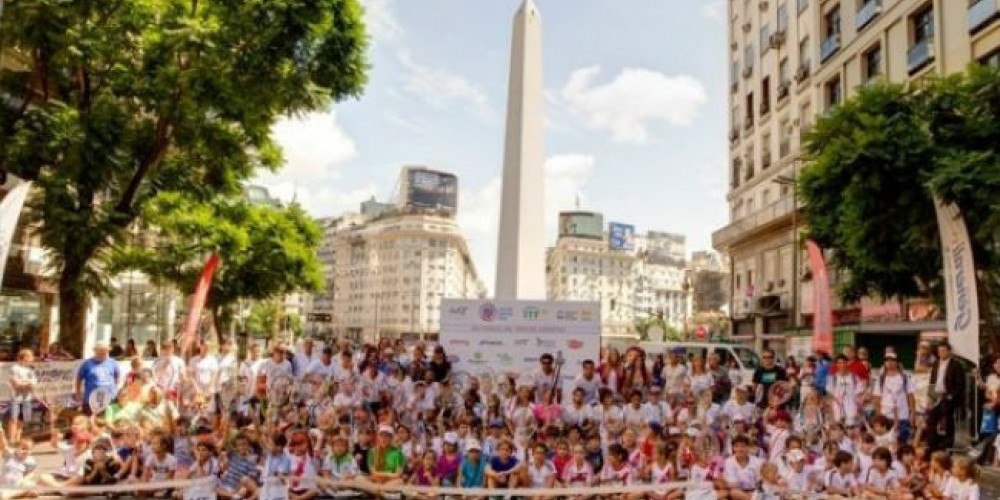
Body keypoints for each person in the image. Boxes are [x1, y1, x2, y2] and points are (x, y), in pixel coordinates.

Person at [927, 342, 966, 451]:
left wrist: (951, 395)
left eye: (943, 351)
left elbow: (961, 384)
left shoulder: (956, 365)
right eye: (939, 351)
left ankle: (947, 444)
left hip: (948, 396)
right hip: (936, 395)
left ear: (949, 351)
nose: (941, 353)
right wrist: (930, 396)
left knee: (947, 419)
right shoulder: (936, 364)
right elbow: (932, 381)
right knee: (931, 419)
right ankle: (932, 444)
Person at [873, 351, 916, 444]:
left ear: (897, 362)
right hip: (886, 416)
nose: (890, 362)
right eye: (887, 360)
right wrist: (878, 415)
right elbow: (876, 398)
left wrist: (912, 413)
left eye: (892, 360)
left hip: (903, 415)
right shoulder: (880, 379)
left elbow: (910, 396)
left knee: (902, 441)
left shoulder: (904, 377)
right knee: (886, 442)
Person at [75, 341, 121, 415]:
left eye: (105, 351)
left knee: (107, 418)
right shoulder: (87, 363)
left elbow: (117, 375)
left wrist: (114, 388)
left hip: (109, 398)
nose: (103, 353)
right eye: (101, 351)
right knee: (89, 418)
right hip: (91, 399)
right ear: (95, 351)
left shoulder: (113, 362)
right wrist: (78, 393)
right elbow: (79, 378)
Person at [7, 349, 36, 444]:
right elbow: (16, 384)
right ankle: (11, 440)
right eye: (31, 356)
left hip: (27, 398)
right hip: (16, 398)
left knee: (22, 420)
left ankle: (18, 439)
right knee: (13, 419)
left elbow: (33, 384)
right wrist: (27, 384)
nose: (32, 358)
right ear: (25, 357)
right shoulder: (14, 368)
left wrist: (25, 384)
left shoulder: (31, 370)